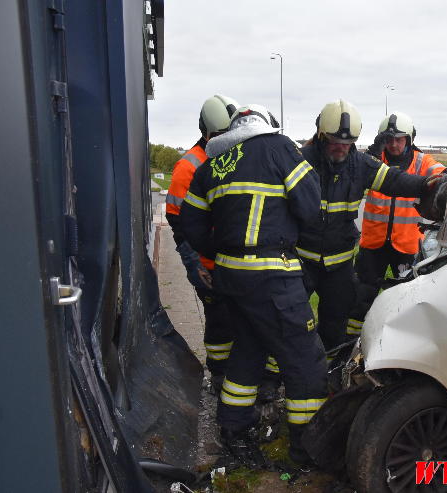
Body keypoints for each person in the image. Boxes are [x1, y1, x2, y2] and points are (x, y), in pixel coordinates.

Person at [180, 104, 326, 467]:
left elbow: (192, 227)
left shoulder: (213, 163)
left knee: (247, 352)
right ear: (267, 125)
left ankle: (234, 432)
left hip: (231, 277)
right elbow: (309, 206)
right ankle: (307, 450)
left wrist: (226, 249)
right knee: (306, 362)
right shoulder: (279, 148)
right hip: (273, 276)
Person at [296, 100, 431, 356]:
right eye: (335, 141)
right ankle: (274, 376)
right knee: (292, 321)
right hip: (302, 262)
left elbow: (395, 180)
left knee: (336, 324)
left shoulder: (359, 164)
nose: (341, 148)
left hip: (340, 266)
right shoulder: (299, 162)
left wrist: (430, 184)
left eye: (347, 143)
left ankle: (331, 368)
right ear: (321, 135)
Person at [347, 112, 445, 337]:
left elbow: (438, 173)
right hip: (373, 244)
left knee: (408, 299)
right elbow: (353, 173)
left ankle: (400, 340)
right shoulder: (374, 160)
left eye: (399, 139)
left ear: (409, 139)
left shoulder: (421, 161)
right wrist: (371, 154)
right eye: (389, 139)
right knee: (360, 296)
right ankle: (350, 340)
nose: (393, 144)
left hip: (407, 246)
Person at [165, 95, 239, 392]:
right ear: (206, 132)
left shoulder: (230, 157)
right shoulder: (189, 167)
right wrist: (193, 263)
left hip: (230, 258)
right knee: (219, 320)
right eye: (219, 136)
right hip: (207, 261)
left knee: (236, 317)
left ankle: (234, 371)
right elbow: (177, 222)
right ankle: (219, 376)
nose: (224, 141)